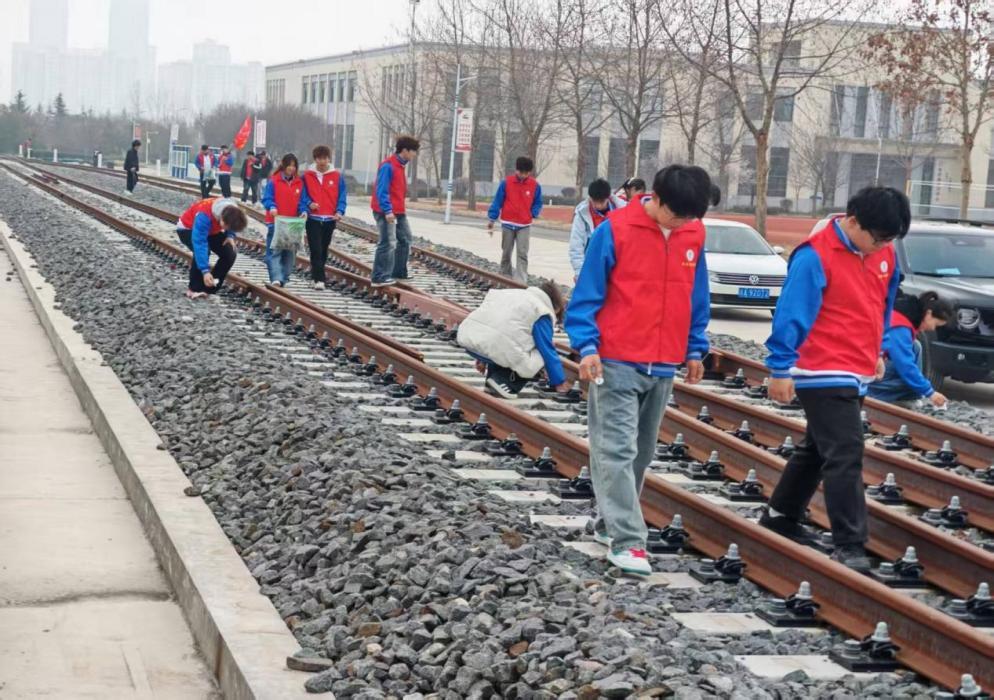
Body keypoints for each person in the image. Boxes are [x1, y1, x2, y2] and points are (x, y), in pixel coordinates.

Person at [565, 165, 714, 576]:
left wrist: (695, 348)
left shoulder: (693, 233)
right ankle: (629, 540)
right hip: (616, 359)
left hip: (663, 363)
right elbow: (586, 294)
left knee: (643, 451)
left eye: (690, 217)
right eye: (676, 215)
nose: (681, 224)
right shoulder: (614, 230)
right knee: (617, 449)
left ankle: (607, 522)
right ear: (656, 199)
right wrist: (587, 346)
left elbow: (696, 295)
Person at [760, 186, 908, 573]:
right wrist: (780, 368)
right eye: (878, 238)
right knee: (845, 452)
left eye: (890, 239)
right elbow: (790, 313)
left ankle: (780, 515)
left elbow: (883, 304)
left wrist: (879, 349)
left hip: (858, 366)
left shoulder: (884, 254)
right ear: (852, 221)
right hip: (819, 368)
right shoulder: (814, 255)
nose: (882, 246)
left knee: (818, 447)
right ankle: (849, 543)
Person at [458, 280, 568, 399]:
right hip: (498, 345)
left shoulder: (508, 294)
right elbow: (546, 349)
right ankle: (504, 382)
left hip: (470, 336)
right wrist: (558, 381)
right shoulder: (542, 311)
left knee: (509, 342)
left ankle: (492, 381)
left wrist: (482, 358)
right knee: (539, 351)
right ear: (555, 306)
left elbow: (493, 326)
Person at [868, 291, 953, 407]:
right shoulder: (900, 327)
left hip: (873, 357)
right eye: (935, 324)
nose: (933, 329)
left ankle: (911, 394)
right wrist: (930, 392)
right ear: (929, 314)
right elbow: (904, 364)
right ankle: (873, 393)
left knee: (915, 346)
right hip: (867, 367)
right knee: (906, 376)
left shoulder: (905, 314)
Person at [370, 135, 420, 287]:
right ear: (405, 150)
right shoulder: (388, 166)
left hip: (398, 211)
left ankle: (398, 272)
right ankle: (379, 277)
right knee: (387, 242)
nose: (415, 154)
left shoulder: (400, 166)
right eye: (413, 151)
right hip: (386, 211)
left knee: (405, 239)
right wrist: (387, 210)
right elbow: (382, 190)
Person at [175, 198, 248, 299]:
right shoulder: (204, 216)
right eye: (226, 227)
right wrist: (205, 271)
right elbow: (200, 244)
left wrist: (230, 235)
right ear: (222, 219)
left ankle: (210, 288)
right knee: (204, 252)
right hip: (187, 229)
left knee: (230, 253)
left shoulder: (234, 211)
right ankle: (194, 289)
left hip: (211, 231)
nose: (226, 229)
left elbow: (233, 223)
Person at [487, 156, 543, 284]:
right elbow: (497, 201)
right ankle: (504, 276)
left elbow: (538, 202)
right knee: (506, 252)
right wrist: (492, 218)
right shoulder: (506, 183)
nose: (523, 175)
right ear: (516, 170)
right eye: (521, 172)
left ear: (529, 172)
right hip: (507, 223)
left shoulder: (535, 185)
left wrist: (533, 213)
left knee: (522, 253)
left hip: (524, 225)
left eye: (526, 173)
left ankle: (520, 280)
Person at [261, 153, 310, 287]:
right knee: (275, 251)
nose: (291, 168)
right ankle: (276, 278)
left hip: (293, 223)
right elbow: (267, 198)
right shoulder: (274, 181)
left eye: (294, 166)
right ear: (283, 165)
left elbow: (302, 201)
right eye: (289, 165)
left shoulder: (299, 183)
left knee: (290, 253)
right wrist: (272, 207)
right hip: (275, 222)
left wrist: (304, 211)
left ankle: (283, 277)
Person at [302, 144, 347, 290]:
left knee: (323, 248)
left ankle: (316, 275)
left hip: (329, 219)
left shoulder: (337, 177)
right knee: (315, 248)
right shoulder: (307, 176)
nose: (322, 161)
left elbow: (342, 196)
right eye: (319, 158)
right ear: (315, 159)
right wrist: (309, 204)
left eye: (325, 158)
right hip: (313, 218)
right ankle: (319, 279)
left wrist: (340, 211)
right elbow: (302, 195)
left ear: (329, 159)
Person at [568, 178, 627, 279]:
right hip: (592, 264)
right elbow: (576, 245)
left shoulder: (623, 210)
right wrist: (580, 272)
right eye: (595, 202)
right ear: (590, 198)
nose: (598, 206)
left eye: (602, 202)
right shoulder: (582, 214)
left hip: (617, 265)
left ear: (608, 197)